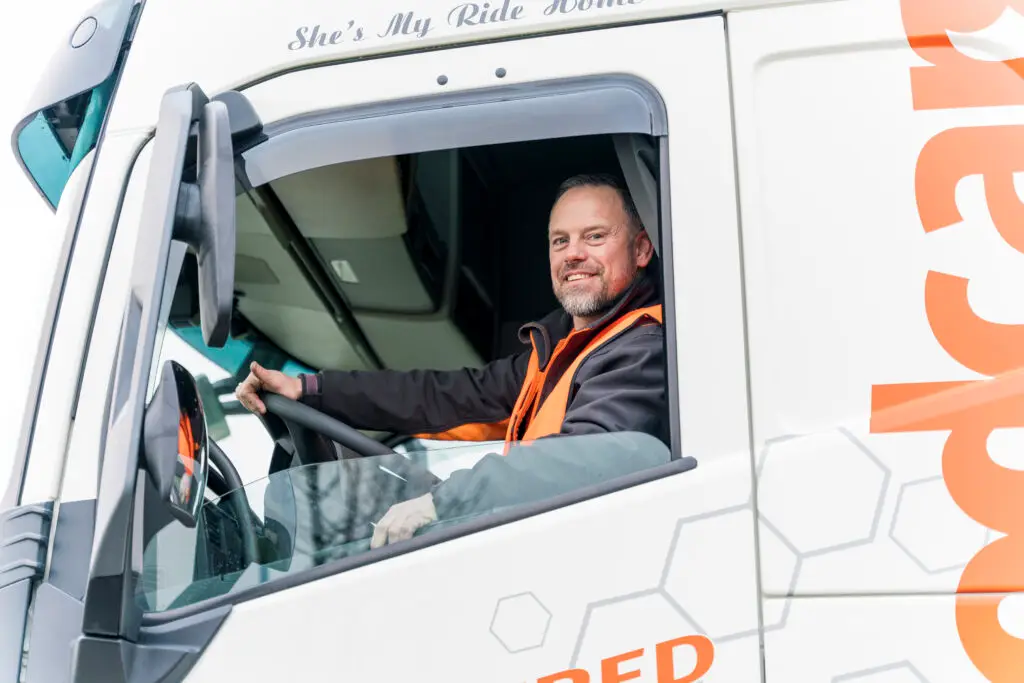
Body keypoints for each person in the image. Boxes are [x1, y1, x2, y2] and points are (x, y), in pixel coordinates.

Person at [236, 173, 670, 548]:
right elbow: (445, 397)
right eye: (561, 240)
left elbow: (581, 458)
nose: (573, 253)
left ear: (641, 249)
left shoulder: (643, 348)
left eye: (595, 236)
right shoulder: (558, 350)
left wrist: (440, 502)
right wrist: (309, 390)